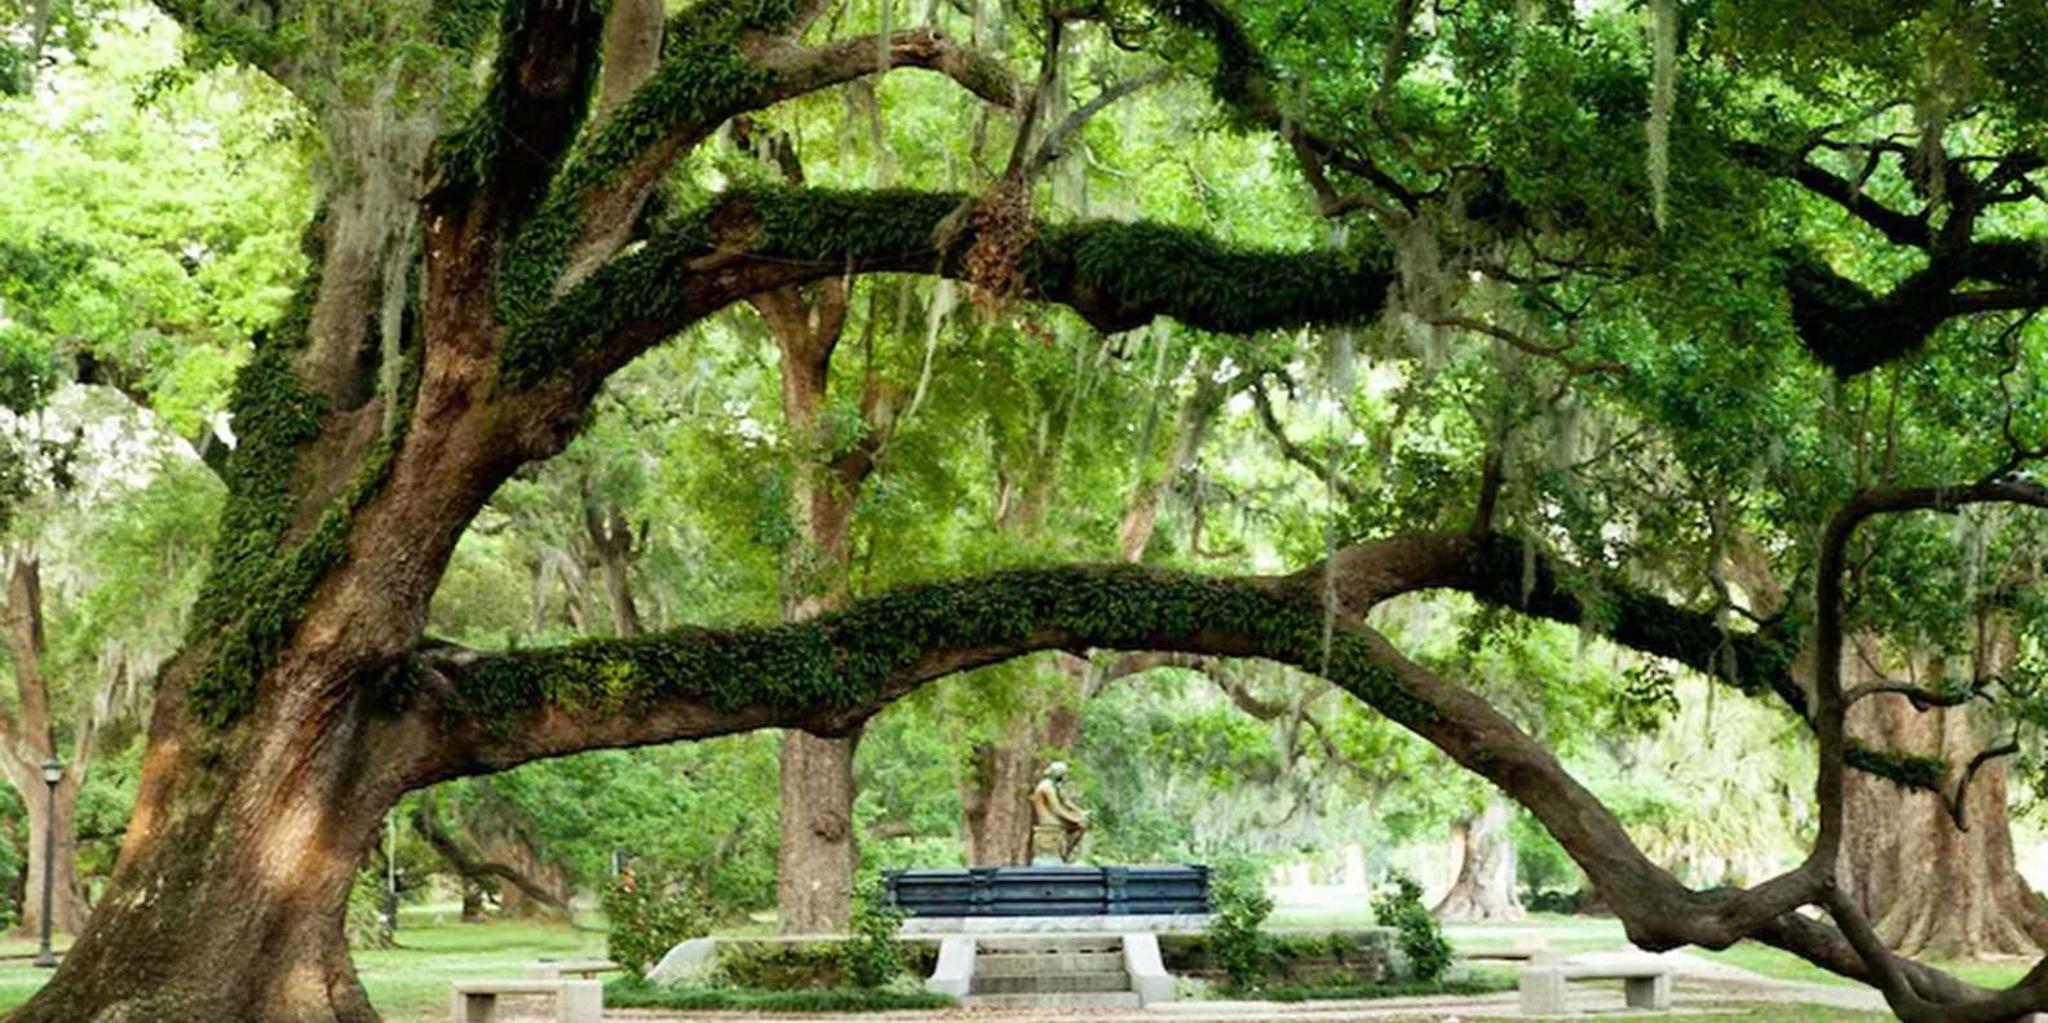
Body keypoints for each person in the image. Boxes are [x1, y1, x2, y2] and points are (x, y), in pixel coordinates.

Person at [1028, 761, 1089, 864]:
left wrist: (1080, 812)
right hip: (1047, 819)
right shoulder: (1046, 787)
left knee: (1083, 822)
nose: (1064, 777)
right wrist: (1075, 819)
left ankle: (1066, 852)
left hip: (1053, 817)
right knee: (1081, 825)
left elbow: (1065, 802)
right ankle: (1066, 852)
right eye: (1063, 774)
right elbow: (1057, 809)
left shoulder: (1055, 786)